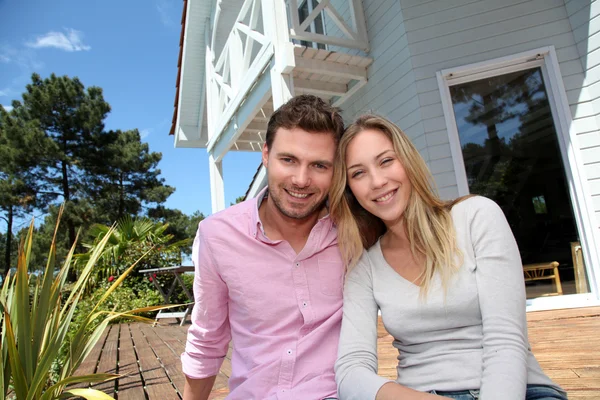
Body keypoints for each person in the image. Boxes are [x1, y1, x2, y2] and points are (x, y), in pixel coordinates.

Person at [330, 114, 567, 400]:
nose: (377, 181)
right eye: (358, 173)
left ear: (407, 161)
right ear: (350, 190)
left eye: (386, 161)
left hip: (519, 390)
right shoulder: (363, 267)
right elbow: (351, 371)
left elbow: (506, 339)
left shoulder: (476, 217)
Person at [181, 94, 346, 400]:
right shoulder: (218, 235)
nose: (301, 179)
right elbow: (208, 338)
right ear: (266, 155)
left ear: (336, 170)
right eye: (288, 160)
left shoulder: (352, 230)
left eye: (319, 165)